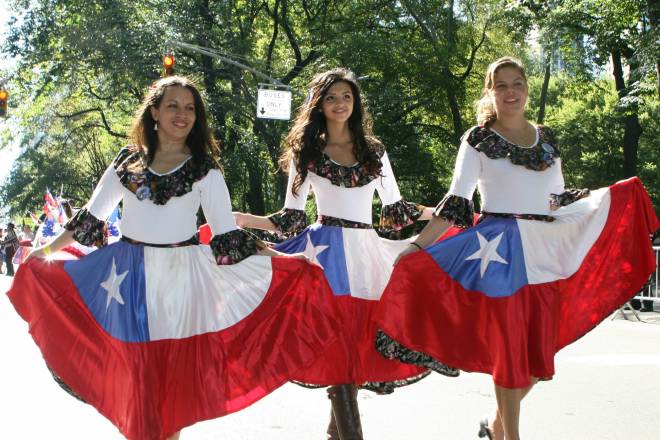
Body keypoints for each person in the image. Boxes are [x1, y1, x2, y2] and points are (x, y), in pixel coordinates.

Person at [8, 76, 341, 440]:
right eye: (172, 106)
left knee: (169, 389)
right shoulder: (127, 163)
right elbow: (90, 220)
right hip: (128, 281)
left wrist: (284, 260)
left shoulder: (206, 169)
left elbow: (226, 236)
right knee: (139, 384)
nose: (182, 114)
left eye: (190, 108)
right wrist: (44, 252)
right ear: (153, 112)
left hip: (180, 284)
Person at [374, 57, 659, 440]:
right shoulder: (477, 139)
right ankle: (511, 436)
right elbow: (457, 201)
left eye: (517, 83)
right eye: (501, 85)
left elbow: (555, 198)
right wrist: (418, 246)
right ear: (491, 93)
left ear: (526, 88)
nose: (511, 92)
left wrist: (604, 200)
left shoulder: (548, 138)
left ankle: (496, 425)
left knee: (539, 362)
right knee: (509, 352)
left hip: (544, 250)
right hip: (500, 252)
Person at [233, 68, 457, 440]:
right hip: (324, 255)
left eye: (346, 97)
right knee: (339, 350)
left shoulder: (374, 151)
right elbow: (291, 217)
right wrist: (244, 219)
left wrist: (443, 213)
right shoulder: (306, 152)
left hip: (367, 254)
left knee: (353, 349)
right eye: (332, 97)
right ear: (320, 104)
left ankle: (336, 434)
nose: (340, 103)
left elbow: (396, 209)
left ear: (355, 103)